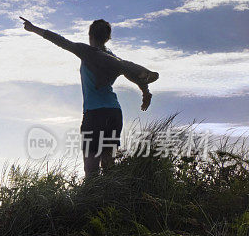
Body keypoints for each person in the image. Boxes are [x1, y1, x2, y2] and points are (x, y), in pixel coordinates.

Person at [19, 17, 159, 178]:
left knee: (91, 171)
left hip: (94, 114)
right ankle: (112, 200)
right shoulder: (114, 60)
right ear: (108, 38)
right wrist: (145, 92)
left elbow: (61, 41)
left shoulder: (87, 52)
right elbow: (132, 74)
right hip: (113, 112)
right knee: (109, 168)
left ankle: (92, 202)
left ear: (90, 35)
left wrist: (33, 28)